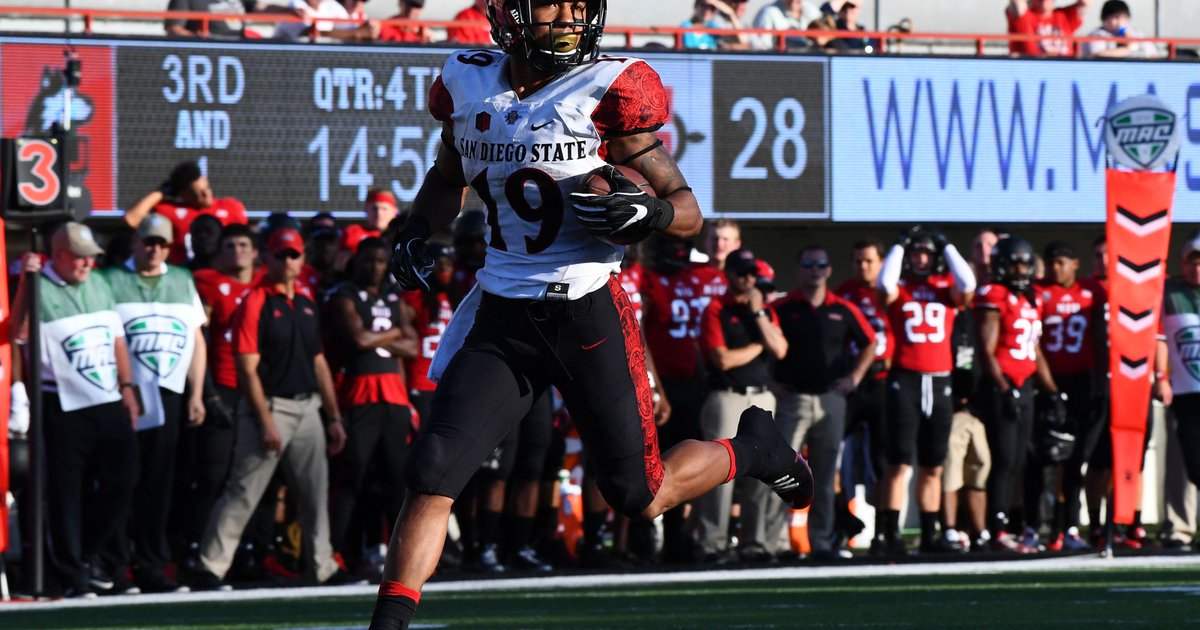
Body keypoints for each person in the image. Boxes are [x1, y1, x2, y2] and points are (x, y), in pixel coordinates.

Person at [373, 1, 812, 625]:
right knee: (431, 471)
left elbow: (687, 210)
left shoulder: (605, 91)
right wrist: (417, 229)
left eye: (581, 5)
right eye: (555, 3)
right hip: (503, 313)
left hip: (585, 311)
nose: (570, 18)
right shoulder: (468, 84)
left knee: (639, 493)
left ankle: (756, 451)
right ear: (511, 12)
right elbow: (447, 178)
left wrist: (653, 213)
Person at [192, 228, 355, 590]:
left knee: (315, 493)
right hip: (270, 406)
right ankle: (210, 566)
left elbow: (319, 362)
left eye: (294, 254)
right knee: (243, 490)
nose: (288, 261)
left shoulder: (307, 301)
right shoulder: (254, 301)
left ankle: (323, 566)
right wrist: (265, 420)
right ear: (267, 258)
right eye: (281, 255)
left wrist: (333, 416)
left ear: (302, 259)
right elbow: (246, 367)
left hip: (308, 407)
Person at [11, 222, 141, 598]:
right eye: (80, 257)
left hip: (107, 398)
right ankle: (71, 571)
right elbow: (19, 333)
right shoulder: (38, 284)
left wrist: (127, 388)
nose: (88, 264)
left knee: (123, 479)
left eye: (91, 257)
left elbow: (117, 340)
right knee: (64, 491)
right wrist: (27, 284)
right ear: (59, 255)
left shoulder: (99, 283)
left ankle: (90, 553)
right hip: (61, 402)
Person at [101, 214, 207, 593]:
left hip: (168, 394)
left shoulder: (182, 279)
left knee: (158, 483)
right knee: (120, 480)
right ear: (136, 242)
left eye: (162, 244)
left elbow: (196, 339)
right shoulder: (110, 280)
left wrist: (196, 393)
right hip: (123, 393)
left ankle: (151, 565)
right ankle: (114, 565)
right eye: (149, 242)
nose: (155, 250)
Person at [769, 245, 874, 561]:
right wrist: (770, 384)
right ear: (798, 269)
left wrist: (854, 378)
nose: (814, 270)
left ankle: (821, 541)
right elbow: (763, 345)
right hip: (793, 399)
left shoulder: (842, 308)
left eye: (820, 265)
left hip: (831, 400)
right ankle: (775, 542)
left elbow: (870, 342)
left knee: (825, 477)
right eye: (809, 264)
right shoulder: (783, 307)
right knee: (780, 470)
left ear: (829, 270)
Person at [877, 226, 976, 555]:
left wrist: (947, 246)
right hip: (905, 380)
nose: (921, 259)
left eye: (926, 254)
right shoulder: (900, 289)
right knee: (900, 463)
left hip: (939, 380)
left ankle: (930, 534)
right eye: (915, 254)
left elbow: (969, 284)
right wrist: (898, 246)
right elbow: (884, 285)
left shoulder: (947, 290)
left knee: (934, 465)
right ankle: (891, 534)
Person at [327, 238, 419, 574]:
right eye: (369, 260)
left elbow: (413, 347)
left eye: (381, 261)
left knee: (396, 480)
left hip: (393, 395)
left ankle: (402, 556)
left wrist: (382, 337)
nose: (375, 267)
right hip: (360, 392)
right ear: (357, 261)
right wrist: (395, 332)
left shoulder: (393, 297)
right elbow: (358, 339)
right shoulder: (345, 294)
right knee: (353, 477)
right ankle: (339, 553)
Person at [695, 249, 790, 563]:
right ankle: (713, 543)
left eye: (752, 274)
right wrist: (758, 346)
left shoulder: (764, 310)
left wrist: (759, 313)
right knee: (718, 472)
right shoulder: (716, 308)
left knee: (762, 473)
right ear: (729, 275)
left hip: (761, 397)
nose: (747, 279)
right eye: (741, 273)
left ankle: (754, 542)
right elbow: (722, 359)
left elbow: (780, 349)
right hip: (727, 396)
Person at [177, 224, 262, 569]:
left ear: (255, 252)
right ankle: (196, 546)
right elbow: (200, 338)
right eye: (230, 245)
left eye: (243, 244)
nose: (237, 251)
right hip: (223, 386)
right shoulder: (208, 281)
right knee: (213, 474)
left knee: (253, 477)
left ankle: (248, 551)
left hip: (257, 390)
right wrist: (208, 393)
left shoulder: (266, 283)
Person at [974, 236, 1059, 552]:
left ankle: (1014, 526)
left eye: (1025, 264)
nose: (1021, 270)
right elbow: (986, 350)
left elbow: (1034, 351)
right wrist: (1003, 387)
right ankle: (996, 530)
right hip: (1002, 386)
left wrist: (1053, 392)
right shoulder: (994, 295)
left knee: (1021, 460)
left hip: (1024, 387)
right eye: (1014, 265)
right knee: (1005, 459)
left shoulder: (1031, 299)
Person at [1036, 241, 1104, 551]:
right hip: (1049, 383)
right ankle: (1043, 526)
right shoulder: (1039, 292)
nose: (1056, 268)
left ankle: (1071, 526)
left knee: (1077, 459)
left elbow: (1099, 338)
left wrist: (1099, 383)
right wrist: (1049, 388)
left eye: (1061, 262)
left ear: (1076, 263)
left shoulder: (1091, 291)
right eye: (1051, 262)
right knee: (1045, 459)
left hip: (1082, 383)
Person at [834, 240, 893, 549]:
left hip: (883, 381)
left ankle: (883, 529)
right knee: (831, 454)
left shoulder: (891, 292)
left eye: (869, 261)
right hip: (850, 382)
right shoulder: (845, 292)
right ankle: (842, 519)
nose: (863, 267)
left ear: (881, 263)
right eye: (858, 261)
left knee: (883, 459)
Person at [123, 161, 249, 265]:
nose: (207, 194)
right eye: (198, 193)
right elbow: (132, 219)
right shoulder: (170, 211)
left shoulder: (231, 206)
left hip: (222, 271)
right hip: (186, 270)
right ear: (183, 194)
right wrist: (160, 192)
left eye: (207, 188)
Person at [337, 189, 402, 272]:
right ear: (366, 209)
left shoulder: (400, 236)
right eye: (375, 208)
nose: (379, 213)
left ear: (394, 211)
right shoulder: (352, 233)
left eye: (384, 209)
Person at [164, 0, 301, 39]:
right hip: (209, 55)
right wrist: (196, 39)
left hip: (239, 51)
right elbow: (174, 29)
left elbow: (261, 8)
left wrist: (288, 11)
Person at [1006, 0, 1092, 57]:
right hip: (1032, 71)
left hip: (1064, 71)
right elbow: (1017, 3)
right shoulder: (1024, 16)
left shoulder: (1064, 15)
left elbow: (1086, 3)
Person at [273, 0, 381, 41]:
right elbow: (308, 34)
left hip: (322, 61)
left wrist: (370, 27)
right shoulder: (296, 5)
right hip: (291, 62)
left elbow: (351, 29)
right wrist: (357, 33)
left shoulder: (331, 5)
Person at [750, 0, 822, 50]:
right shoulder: (768, 13)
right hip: (782, 63)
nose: (793, 0)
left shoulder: (813, 11)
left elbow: (824, 41)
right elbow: (762, 49)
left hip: (810, 63)